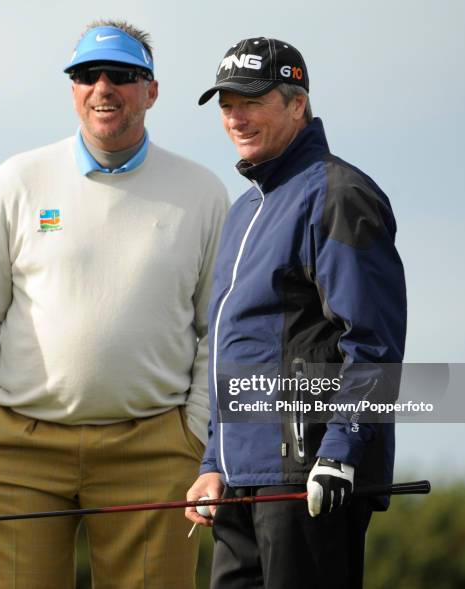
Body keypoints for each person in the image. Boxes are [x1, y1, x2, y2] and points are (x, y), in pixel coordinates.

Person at [0, 20, 228, 589]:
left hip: (153, 448)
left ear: (151, 90)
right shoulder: (15, 181)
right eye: (86, 75)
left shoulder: (202, 192)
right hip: (16, 452)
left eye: (122, 75)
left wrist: (195, 430)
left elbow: (216, 329)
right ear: (72, 89)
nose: (103, 87)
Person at [185, 37, 407, 589]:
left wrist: (341, 451)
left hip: (310, 474)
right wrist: (214, 461)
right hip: (242, 480)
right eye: (227, 104)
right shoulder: (245, 209)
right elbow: (234, 353)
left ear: (297, 105)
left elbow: (374, 344)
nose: (237, 117)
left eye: (252, 101)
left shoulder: (339, 194)